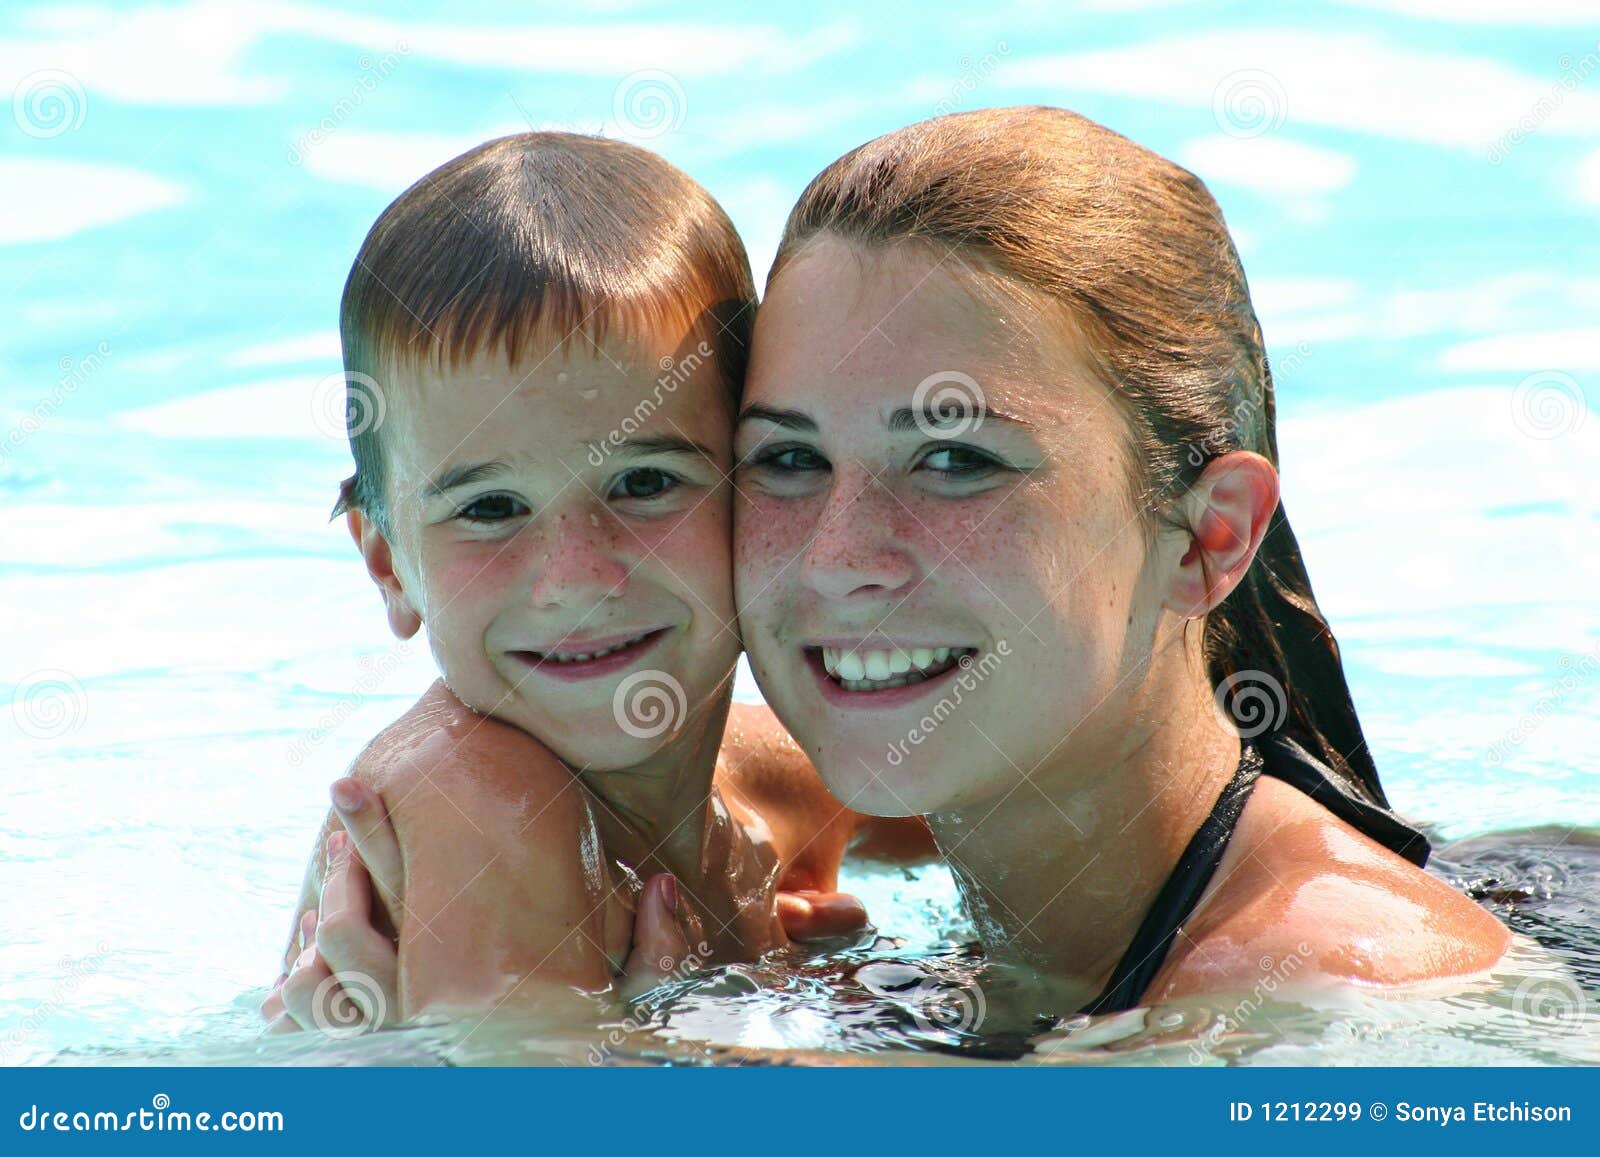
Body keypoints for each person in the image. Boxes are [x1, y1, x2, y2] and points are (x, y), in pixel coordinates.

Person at [733, 105, 1509, 1012]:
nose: (836, 560)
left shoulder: (1328, 984)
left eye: (957, 459)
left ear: (1208, 535)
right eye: (789, 459)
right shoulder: (1020, 761)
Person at [261, 131, 923, 1033]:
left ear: (765, 483)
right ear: (388, 565)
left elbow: (1011, 804)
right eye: (491, 507)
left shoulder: (754, 783)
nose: (577, 576)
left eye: (646, 483)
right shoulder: (478, 800)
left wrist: (778, 992)